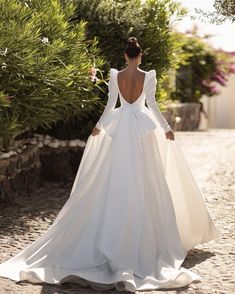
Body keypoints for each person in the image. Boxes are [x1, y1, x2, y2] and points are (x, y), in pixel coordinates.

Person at [0, 37, 218, 292]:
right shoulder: (148, 76)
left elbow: (110, 105)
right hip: (142, 128)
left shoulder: (116, 75)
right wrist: (167, 128)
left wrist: (99, 126)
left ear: (126, 57)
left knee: (114, 176)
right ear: (140, 56)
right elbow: (153, 105)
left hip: (120, 126)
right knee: (147, 179)